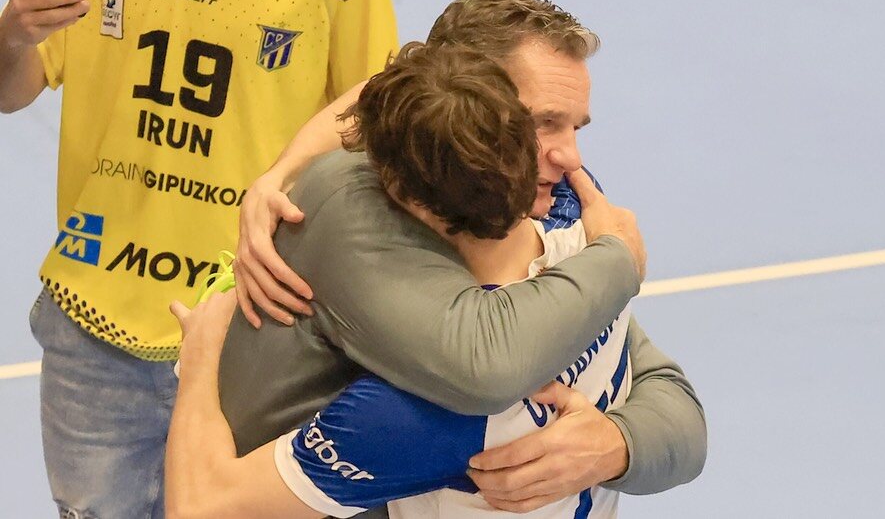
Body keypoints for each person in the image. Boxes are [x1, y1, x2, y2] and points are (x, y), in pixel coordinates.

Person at [218, 0, 705, 517]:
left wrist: (616, 444)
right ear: (473, 106)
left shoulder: (562, 211)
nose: (571, 158)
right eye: (542, 123)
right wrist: (616, 258)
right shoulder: (356, 220)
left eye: (573, 125)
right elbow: (486, 368)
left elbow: (671, 403)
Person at [166, 41, 636, 518]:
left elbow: (201, 508)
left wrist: (201, 353)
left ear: (402, 195)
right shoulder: (583, 238)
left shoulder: (423, 408)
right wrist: (623, 443)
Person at [0, 0, 398, 516]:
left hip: (260, 327)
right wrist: (12, 35)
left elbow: (377, 106)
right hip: (94, 324)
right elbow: (11, 88)